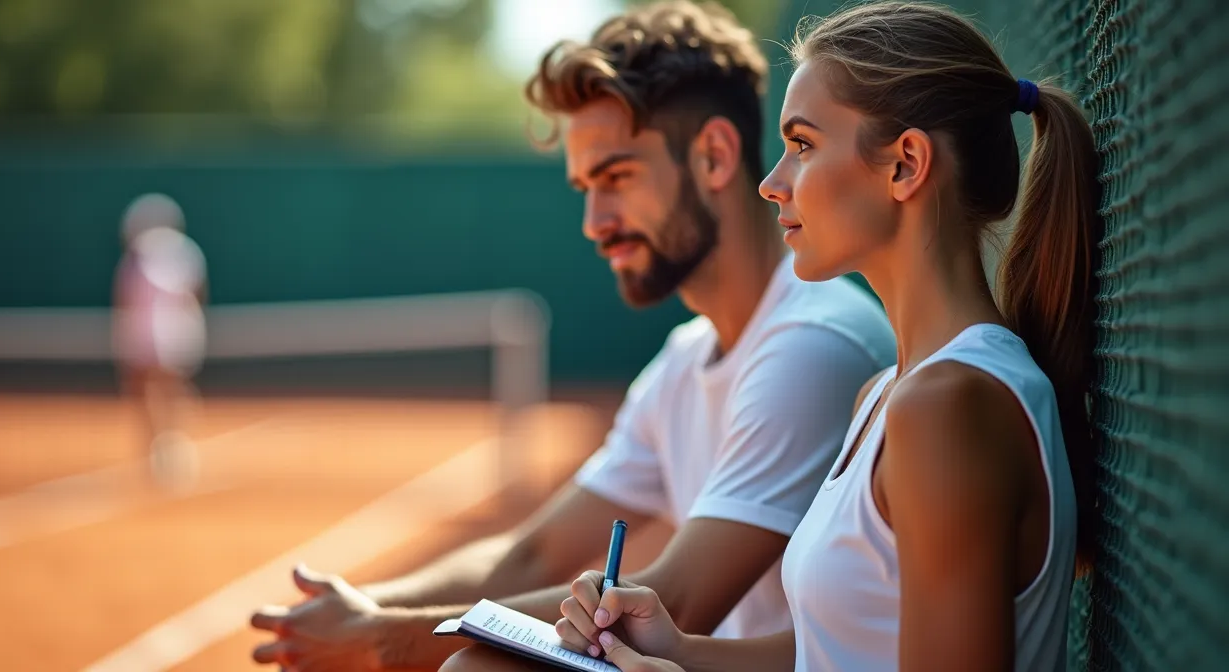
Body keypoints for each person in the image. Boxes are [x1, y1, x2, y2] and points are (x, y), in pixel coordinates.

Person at [248, 2, 895, 671]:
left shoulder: (813, 342)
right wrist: (368, 608)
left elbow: (672, 604)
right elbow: (534, 553)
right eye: (584, 188)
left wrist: (381, 639)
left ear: (714, 156)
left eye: (614, 178)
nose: (594, 221)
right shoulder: (687, 358)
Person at [514, 2, 1101, 671]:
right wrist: (678, 652)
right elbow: (840, 649)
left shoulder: (947, 406)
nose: (771, 184)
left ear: (906, 165)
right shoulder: (890, 393)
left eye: (802, 145)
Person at [112, 192, 208, 492]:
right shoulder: (139, 261)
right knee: (149, 394)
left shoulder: (161, 257)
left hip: (169, 339)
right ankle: (162, 449)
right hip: (149, 340)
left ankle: (172, 445)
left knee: (167, 391)